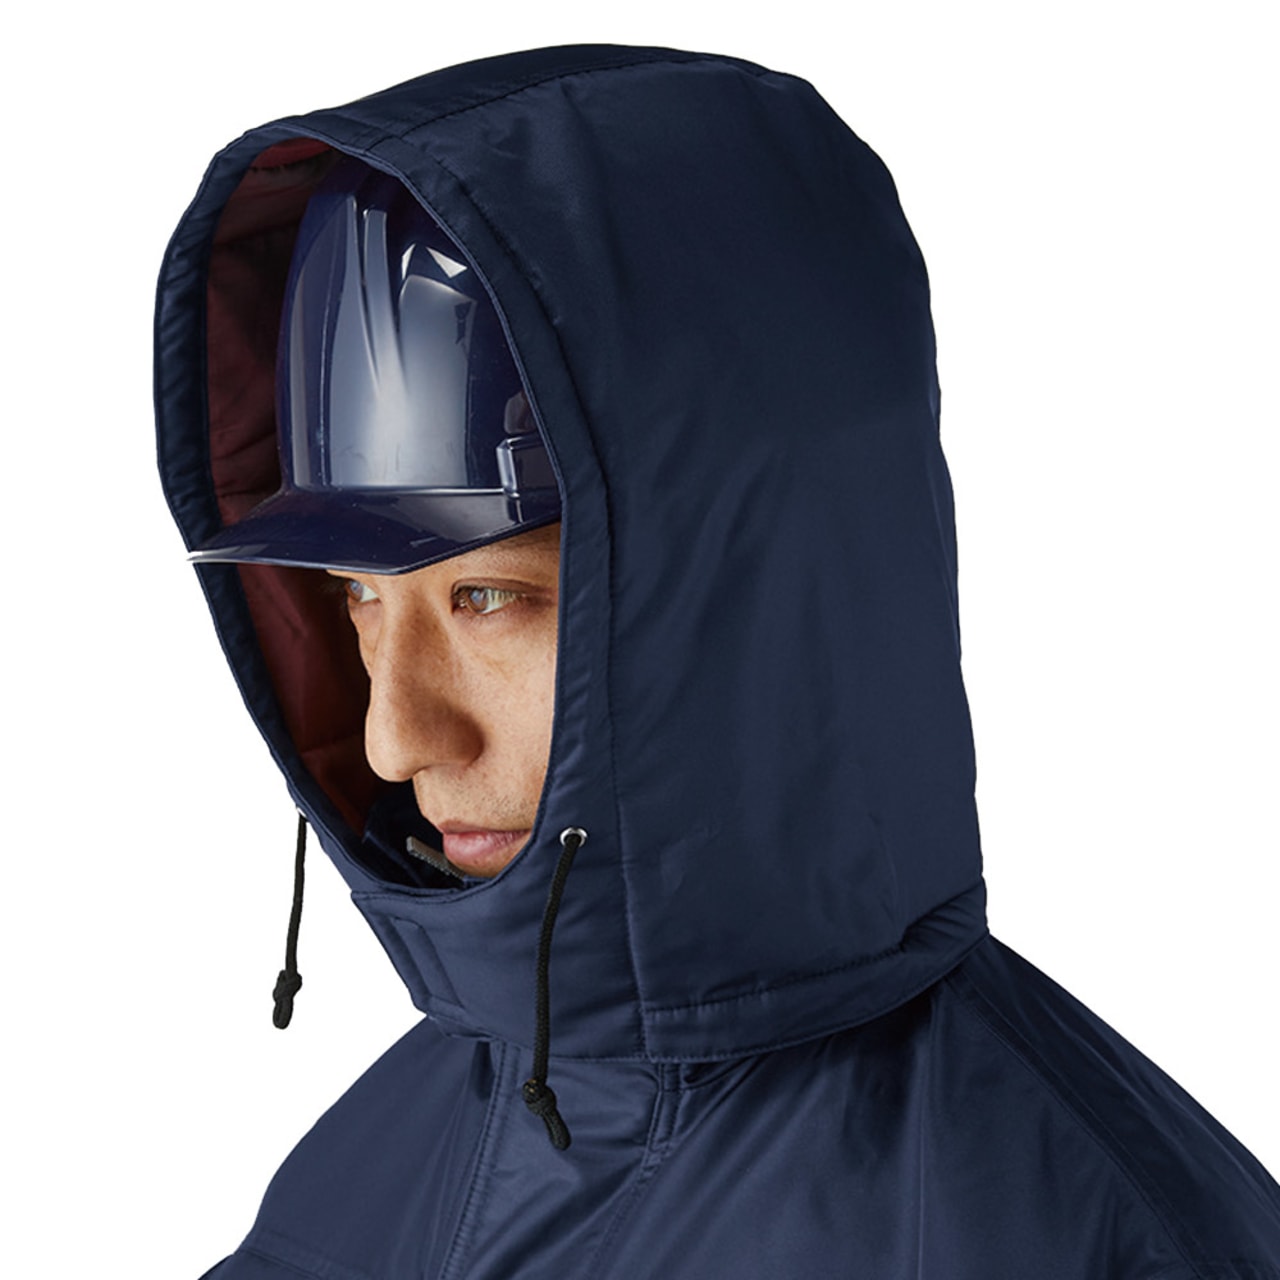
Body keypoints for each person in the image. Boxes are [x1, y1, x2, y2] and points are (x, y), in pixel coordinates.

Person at [155, 44, 1280, 1279]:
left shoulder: (1072, 1235)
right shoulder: (380, 1159)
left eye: (487, 598)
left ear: (753, 600)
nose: (391, 739)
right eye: (358, 598)